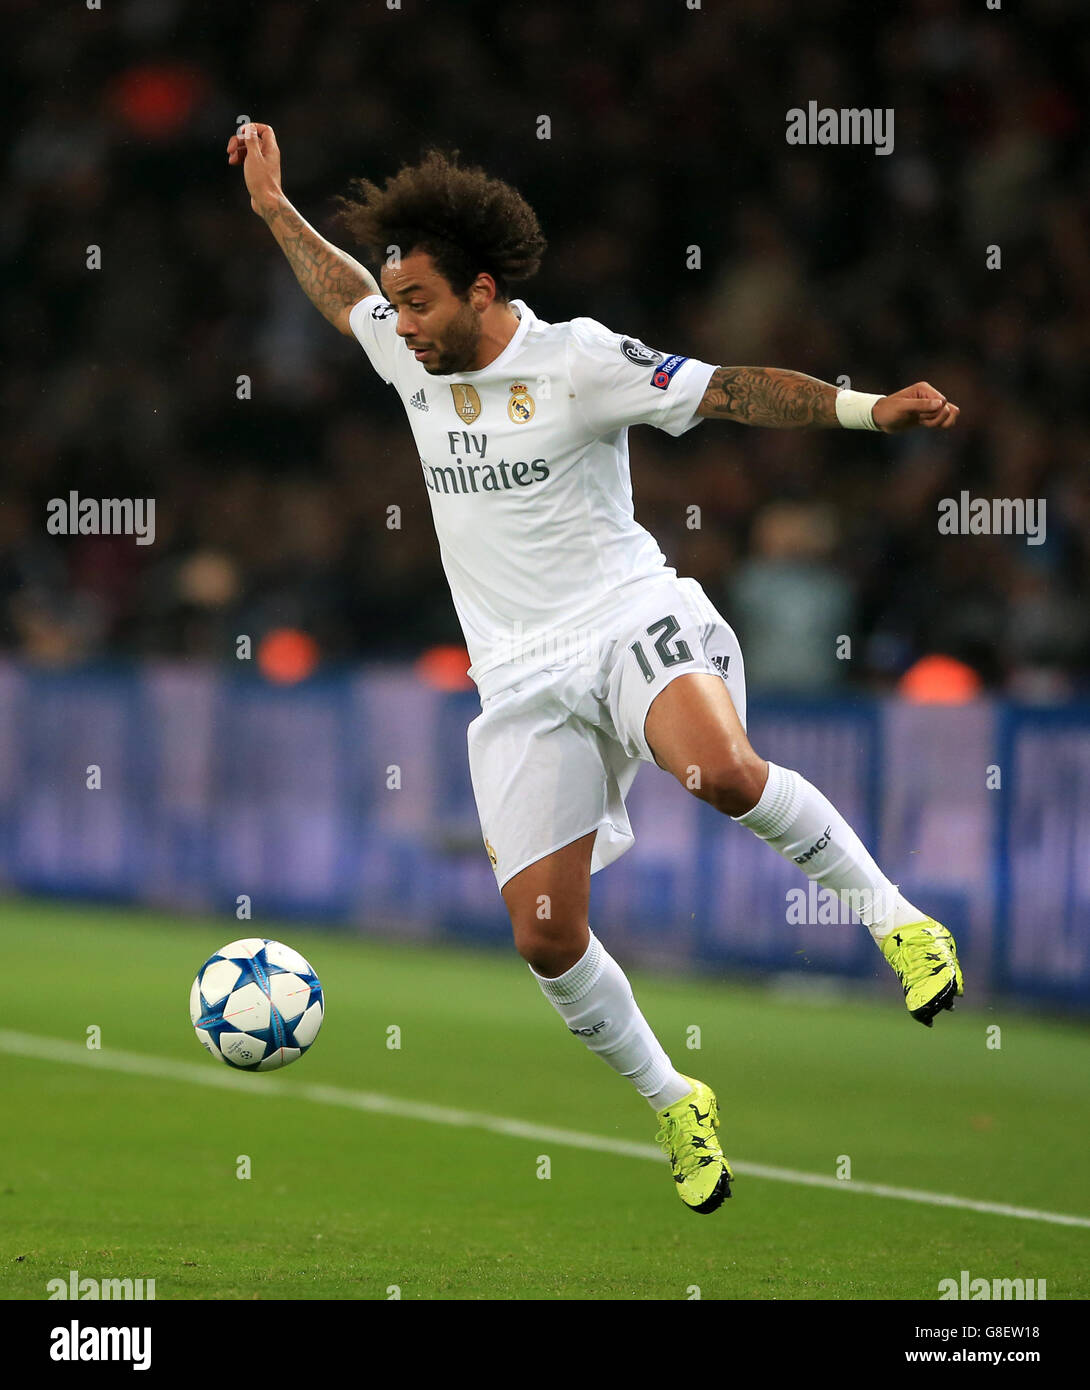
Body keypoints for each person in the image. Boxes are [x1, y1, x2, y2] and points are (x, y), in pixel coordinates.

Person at [228, 124, 963, 1216]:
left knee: (718, 772)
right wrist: (276, 211)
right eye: (400, 303)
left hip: (625, 616)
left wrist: (866, 409)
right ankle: (675, 1097)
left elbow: (728, 389)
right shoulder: (401, 341)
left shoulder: (579, 361)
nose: (405, 323)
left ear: (480, 289)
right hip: (516, 677)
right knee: (545, 933)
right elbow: (344, 299)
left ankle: (899, 920)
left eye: (422, 300)